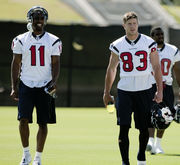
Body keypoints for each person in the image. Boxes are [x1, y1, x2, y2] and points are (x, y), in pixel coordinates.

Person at [103, 12, 163, 165]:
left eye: (135, 23)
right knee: (123, 127)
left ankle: (141, 157)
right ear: (124, 26)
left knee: (144, 128)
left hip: (144, 89)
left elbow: (156, 67)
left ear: (138, 24)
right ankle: (125, 161)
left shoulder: (149, 42)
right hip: (125, 90)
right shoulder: (117, 45)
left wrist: (159, 89)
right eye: (129, 24)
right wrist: (106, 92)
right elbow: (111, 69)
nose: (132, 26)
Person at [10, 6, 62, 165]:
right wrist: (14, 86)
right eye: (35, 17)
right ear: (30, 20)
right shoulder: (20, 39)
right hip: (26, 84)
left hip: (45, 86)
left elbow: (56, 64)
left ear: (45, 20)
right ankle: (26, 155)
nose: (38, 20)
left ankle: (38, 158)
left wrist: (54, 82)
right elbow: (15, 63)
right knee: (23, 120)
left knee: (43, 122)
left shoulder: (53, 40)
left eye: (41, 18)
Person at [146, 27, 180, 154]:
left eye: (161, 34)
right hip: (151, 85)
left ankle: (158, 144)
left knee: (167, 115)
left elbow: (177, 71)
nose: (160, 36)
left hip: (167, 86)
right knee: (150, 113)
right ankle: (150, 140)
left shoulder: (172, 50)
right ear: (152, 36)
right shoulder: (147, 49)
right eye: (157, 34)